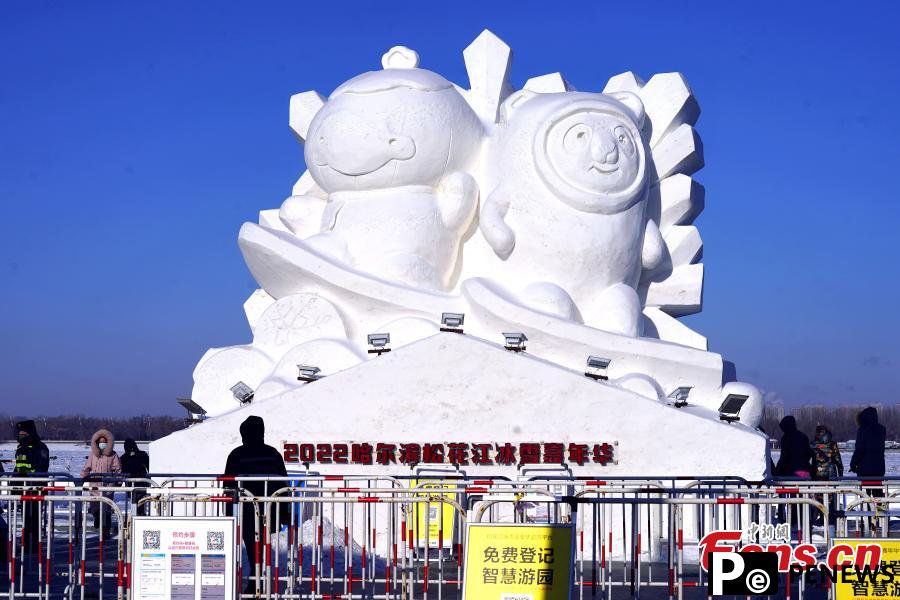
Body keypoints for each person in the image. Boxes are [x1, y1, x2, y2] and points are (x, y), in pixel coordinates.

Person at [223, 416, 289, 594]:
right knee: (262, 546)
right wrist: (284, 512)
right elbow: (283, 484)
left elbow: (228, 486)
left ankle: (256, 580)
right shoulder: (273, 454)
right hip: (269, 509)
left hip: (246, 511)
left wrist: (230, 513)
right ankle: (259, 579)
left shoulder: (237, 454)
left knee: (252, 547)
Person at [14, 420, 50, 553]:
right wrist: (14, 484)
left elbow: (41, 467)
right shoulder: (20, 448)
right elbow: (18, 468)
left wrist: (30, 479)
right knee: (25, 518)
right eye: (20, 433)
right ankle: (26, 544)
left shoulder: (40, 447)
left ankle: (33, 546)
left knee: (34, 518)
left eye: (24, 432)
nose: (22, 435)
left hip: (35, 488)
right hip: (22, 489)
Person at [850, 407, 887, 529]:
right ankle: (880, 518)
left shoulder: (863, 429)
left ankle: (865, 519)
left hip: (864, 468)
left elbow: (859, 449)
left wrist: (853, 463)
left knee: (864, 495)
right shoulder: (882, 429)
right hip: (879, 468)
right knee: (878, 494)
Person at [80, 429, 122, 537]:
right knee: (95, 510)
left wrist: (117, 480)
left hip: (107, 488)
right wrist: (84, 475)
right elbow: (87, 467)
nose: (102, 443)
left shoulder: (113, 455)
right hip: (94, 487)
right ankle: (98, 520)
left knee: (107, 511)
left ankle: (106, 532)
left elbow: (118, 470)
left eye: (104, 441)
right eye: (100, 441)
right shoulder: (93, 454)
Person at [811, 424, 843, 526]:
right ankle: (830, 517)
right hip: (830, 474)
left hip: (817, 474)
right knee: (831, 497)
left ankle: (821, 516)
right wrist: (840, 472)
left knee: (819, 496)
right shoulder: (832, 444)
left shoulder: (813, 444)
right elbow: (838, 459)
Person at [120, 438, 150, 515]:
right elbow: (121, 471)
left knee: (139, 502)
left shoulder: (142, 455)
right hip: (135, 484)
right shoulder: (124, 458)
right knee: (137, 503)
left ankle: (138, 516)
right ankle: (137, 516)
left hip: (141, 484)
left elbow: (149, 467)